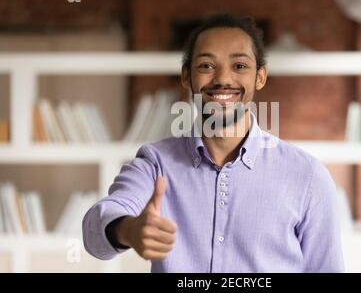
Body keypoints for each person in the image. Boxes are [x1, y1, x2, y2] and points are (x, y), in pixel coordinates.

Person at [82, 14, 344, 273]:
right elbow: (96, 232)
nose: (223, 79)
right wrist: (129, 230)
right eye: (206, 66)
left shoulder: (307, 176)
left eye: (239, 66)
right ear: (187, 77)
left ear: (260, 77)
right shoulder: (156, 163)